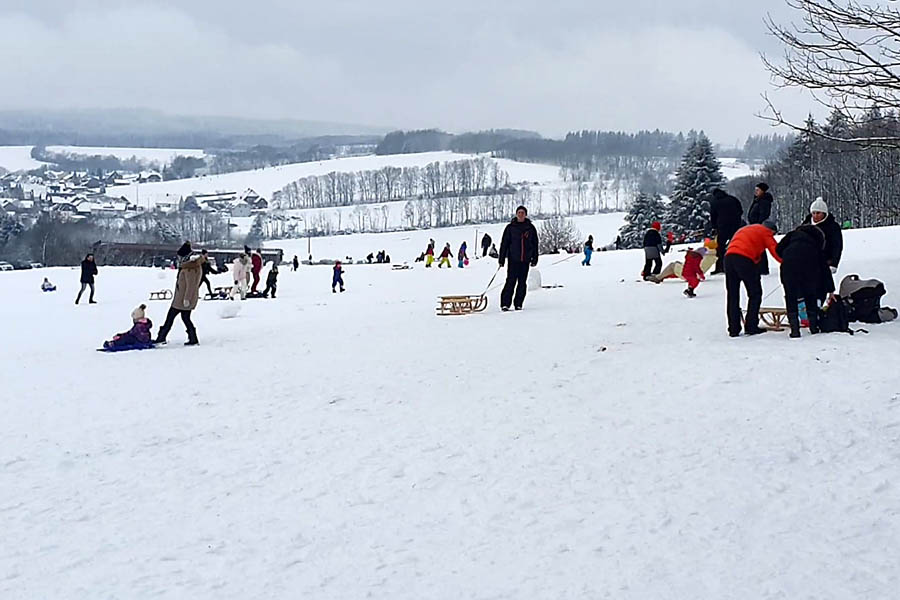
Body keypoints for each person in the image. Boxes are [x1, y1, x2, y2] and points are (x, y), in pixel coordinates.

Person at [724, 222, 781, 337]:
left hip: (728, 258)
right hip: (744, 259)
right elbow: (775, 250)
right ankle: (751, 326)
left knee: (732, 295)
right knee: (755, 293)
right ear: (772, 231)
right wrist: (787, 262)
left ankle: (733, 328)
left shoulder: (746, 229)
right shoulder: (766, 232)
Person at [776, 224, 827, 337]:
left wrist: (787, 256)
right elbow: (823, 265)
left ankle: (795, 329)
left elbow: (778, 249)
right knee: (810, 294)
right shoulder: (815, 241)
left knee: (791, 296)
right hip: (809, 266)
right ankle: (813, 326)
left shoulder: (791, 236)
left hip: (788, 266)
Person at [154, 243, 205, 346]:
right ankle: (192, 338)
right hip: (181, 298)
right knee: (184, 318)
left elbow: (191, 285)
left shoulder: (190, 268)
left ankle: (162, 337)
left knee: (172, 317)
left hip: (183, 300)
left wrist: (187, 299)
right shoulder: (189, 266)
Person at [802, 197, 844, 305]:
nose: (815, 216)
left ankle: (818, 307)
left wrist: (834, 263)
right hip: (806, 262)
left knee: (821, 287)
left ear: (824, 213)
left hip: (825, 261)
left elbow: (837, 246)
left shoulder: (832, 227)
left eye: (818, 213)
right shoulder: (805, 225)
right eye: (814, 213)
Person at [498, 205, 539, 311]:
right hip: (513, 259)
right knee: (510, 281)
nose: (521, 215)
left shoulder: (530, 228)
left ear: (525, 215)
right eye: (519, 213)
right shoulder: (510, 228)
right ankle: (505, 304)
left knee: (522, 282)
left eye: (523, 213)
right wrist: (501, 258)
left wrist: (535, 257)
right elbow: (504, 244)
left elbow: (535, 244)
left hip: (525, 260)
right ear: (516, 214)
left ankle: (518, 303)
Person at [708, 188, 744, 274]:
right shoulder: (733, 199)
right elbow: (740, 211)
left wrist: (714, 227)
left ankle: (720, 267)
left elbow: (713, 216)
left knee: (720, 248)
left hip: (722, 227)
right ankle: (738, 265)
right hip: (735, 226)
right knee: (736, 245)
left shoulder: (715, 202)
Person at [748, 182, 775, 275]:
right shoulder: (757, 200)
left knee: (760, 247)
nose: (756, 192)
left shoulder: (764, 201)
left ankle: (762, 268)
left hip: (758, 226)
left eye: (758, 190)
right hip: (754, 225)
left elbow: (764, 214)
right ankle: (759, 267)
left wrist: (758, 224)